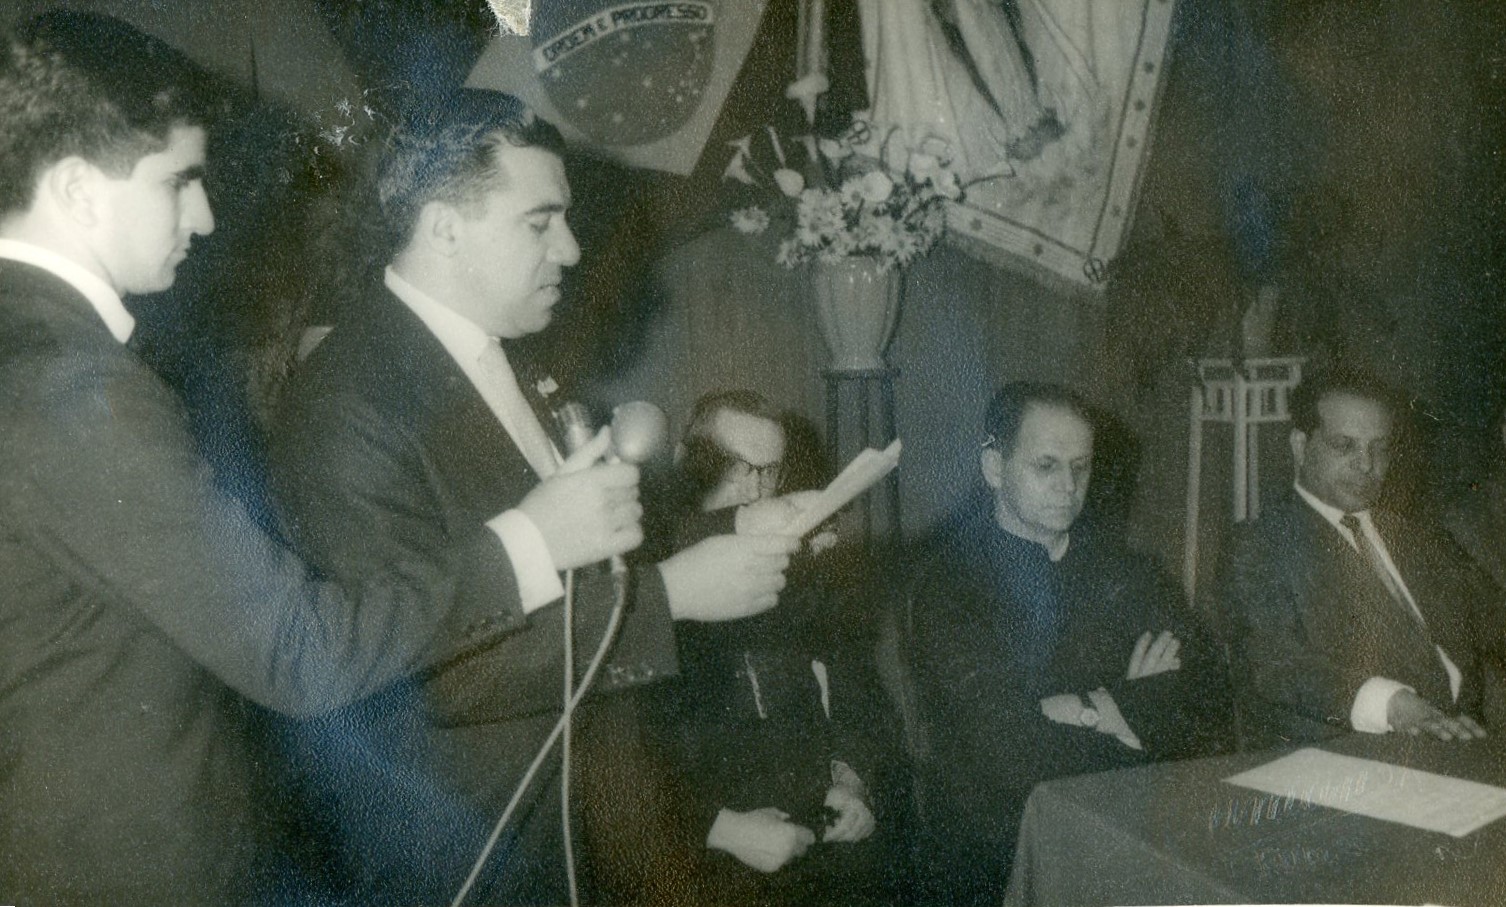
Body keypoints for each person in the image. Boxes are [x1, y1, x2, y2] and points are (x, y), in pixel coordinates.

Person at [0, 13, 646, 905]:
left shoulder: (33, 354)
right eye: (180, 180)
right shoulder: (70, 382)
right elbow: (301, 653)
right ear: (77, 189)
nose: (206, 215)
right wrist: (530, 543)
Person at [269, 93, 798, 904]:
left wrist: (733, 524)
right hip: (467, 858)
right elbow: (423, 664)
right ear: (445, 227)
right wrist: (671, 597)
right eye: (540, 222)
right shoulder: (347, 402)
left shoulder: (505, 358)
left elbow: (573, 547)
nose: (573, 249)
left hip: (576, 837)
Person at [907, 382, 1231, 906]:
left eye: (1081, 467)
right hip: (1002, 851)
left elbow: (1208, 696)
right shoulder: (949, 585)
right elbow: (1010, 754)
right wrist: (1133, 718)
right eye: (1046, 466)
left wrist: (1085, 708)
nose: (1068, 487)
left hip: (1135, 830)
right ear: (994, 468)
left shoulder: (1127, 570)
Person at [639, 390, 901, 905]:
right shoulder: (645, 580)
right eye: (735, 467)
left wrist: (851, 778)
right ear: (684, 465)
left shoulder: (801, 574)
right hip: (691, 858)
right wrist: (718, 828)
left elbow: (860, 693)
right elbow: (617, 764)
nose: (755, 492)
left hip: (808, 837)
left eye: (769, 471)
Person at [1222, 369, 1506, 745]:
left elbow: (1493, 617)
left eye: (1379, 448)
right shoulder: (1259, 544)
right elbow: (1277, 665)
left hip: (1469, 743)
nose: (1366, 464)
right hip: (1353, 755)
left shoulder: (1418, 535)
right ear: (1300, 446)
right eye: (1344, 446)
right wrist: (1393, 705)